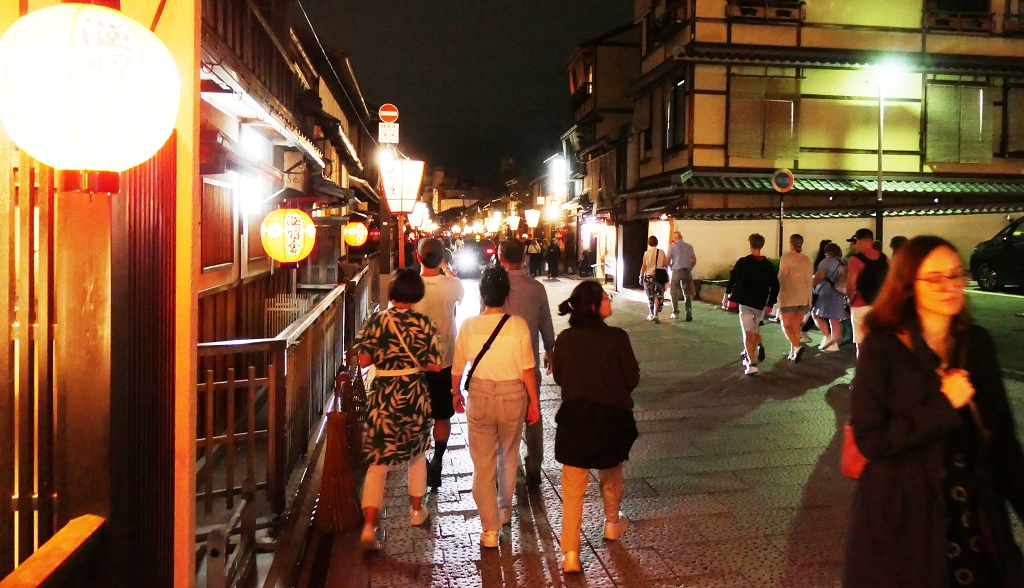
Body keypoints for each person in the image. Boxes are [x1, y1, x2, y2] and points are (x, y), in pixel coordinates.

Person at [844, 236, 1024, 587]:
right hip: (906, 521)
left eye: (956, 275)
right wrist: (943, 404)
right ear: (909, 286)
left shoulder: (975, 343)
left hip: (974, 515)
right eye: (935, 278)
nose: (950, 286)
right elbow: (871, 439)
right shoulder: (883, 347)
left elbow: (1002, 439)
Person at [552, 281, 640, 573]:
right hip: (611, 419)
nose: (609, 301)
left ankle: (570, 554)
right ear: (593, 305)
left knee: (573, 489)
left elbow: (560, 377)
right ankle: (612, 523)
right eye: (606, 297)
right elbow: (632, 377)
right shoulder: (617, 338)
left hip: (575, 419)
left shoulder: (564, 339)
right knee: (611, 474)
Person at [353, 269, 442, 550]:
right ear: (416, 294)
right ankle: (416, 512)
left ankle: (369, 526)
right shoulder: (423, 323)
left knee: (378, 462)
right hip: (414, 393)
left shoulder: (377, 320)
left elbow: (363, 360)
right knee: (416, 456)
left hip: (383, 396)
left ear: (392, 293)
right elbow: (436, 365)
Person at [452, 267, 540, 548]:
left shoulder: (468, 326)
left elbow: (457, 369)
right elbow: (528, 370)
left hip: (479, 395)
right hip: (514, 395)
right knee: (508, 454)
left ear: (482, 294)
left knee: (482, 463)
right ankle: (504, 510)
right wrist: (534, 403)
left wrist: (455, 393)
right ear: (507, 295)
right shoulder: (518, 325)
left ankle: (489, 530)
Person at [496, 239, 555, 487]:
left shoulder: (494, 287)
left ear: (500, 258)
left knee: (503, 417)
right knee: (533, 413)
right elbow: (546, 322)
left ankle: (507, 465)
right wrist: (550, 349)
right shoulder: (536, 288)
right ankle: (534, 464)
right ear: (524, 258)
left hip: (500, 364)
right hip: (528, 361)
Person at [413, 238, 465, 490]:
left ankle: (420, 463)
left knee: (419, 416)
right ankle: (438, 459)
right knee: (442, 416)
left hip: (416, 364)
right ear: (442, 257)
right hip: (445, 361)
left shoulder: (410, 287)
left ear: (417, 255)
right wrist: (445, 267)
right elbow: (459, 290)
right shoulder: (452, 284)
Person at [725, 233, 779, 375]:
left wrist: (727, 294)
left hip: (745, 302)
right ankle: (750, 356)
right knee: (754, 333)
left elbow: (733, 278)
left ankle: (751, 362)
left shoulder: (743, 262)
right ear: (762, 245)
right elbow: (775, 285)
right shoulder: (768, 266)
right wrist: (770, 303)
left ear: (750, 245)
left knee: (748, 334)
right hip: (760, 304)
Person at [846, 228, 889, 354]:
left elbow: (851, 285)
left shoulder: (855, 260)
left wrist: (850, 301)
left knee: (861, 344)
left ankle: (864, 371)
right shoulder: (885, 258)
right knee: (879, 342)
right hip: (880, 306)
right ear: (872, 241)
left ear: (858, 240)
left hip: (860, 304)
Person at [777, 234, 814, 362]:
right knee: (795, 326)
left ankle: (797, 347)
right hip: (804, 297)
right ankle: (793, 352)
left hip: (788, 296)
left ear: (790, 243)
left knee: (786, 325)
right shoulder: (807, 259)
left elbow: (782, 277)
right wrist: (810, 300)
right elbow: (810, 280)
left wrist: (777, 297)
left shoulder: (786, 258)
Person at [811, 242, 849, 352]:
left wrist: (811, 284)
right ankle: (834, 343)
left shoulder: (826, 262)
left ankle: (827, 337)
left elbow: (820, 276)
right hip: (840, 293)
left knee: (815, 314)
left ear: (827, 252)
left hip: (826, 293)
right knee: (834, 319)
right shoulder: (843, 261)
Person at [800, 239, 832, 343]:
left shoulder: (819, 261)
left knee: (817, 313)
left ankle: (805, 331)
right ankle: (828, 336)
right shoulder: (826, 262)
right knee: (818, 314)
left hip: (818, 290)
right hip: (824, 291)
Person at [667, 231, 697, 321]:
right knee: (687, 292)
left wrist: (671, 267)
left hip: (676, 271)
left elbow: (667, 260)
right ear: (681, 237)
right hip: (687, 271)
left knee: (673, 292)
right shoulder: (689, 246)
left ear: (674, 238)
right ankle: (688, 310)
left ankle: (675, 311)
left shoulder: (672, 247)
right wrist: (690, 267)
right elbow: (694, 260)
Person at [639, 235, 669, 323]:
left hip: (649, 277)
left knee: (650, 296)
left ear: (649, 243)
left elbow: (643, 266)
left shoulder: (646, 253)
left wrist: (641, 276)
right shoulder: (662, 252)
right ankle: (656, 314)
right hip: (659, 276)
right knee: (658, 295)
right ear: (657, 242)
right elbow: (666, 263)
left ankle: (651, 314)